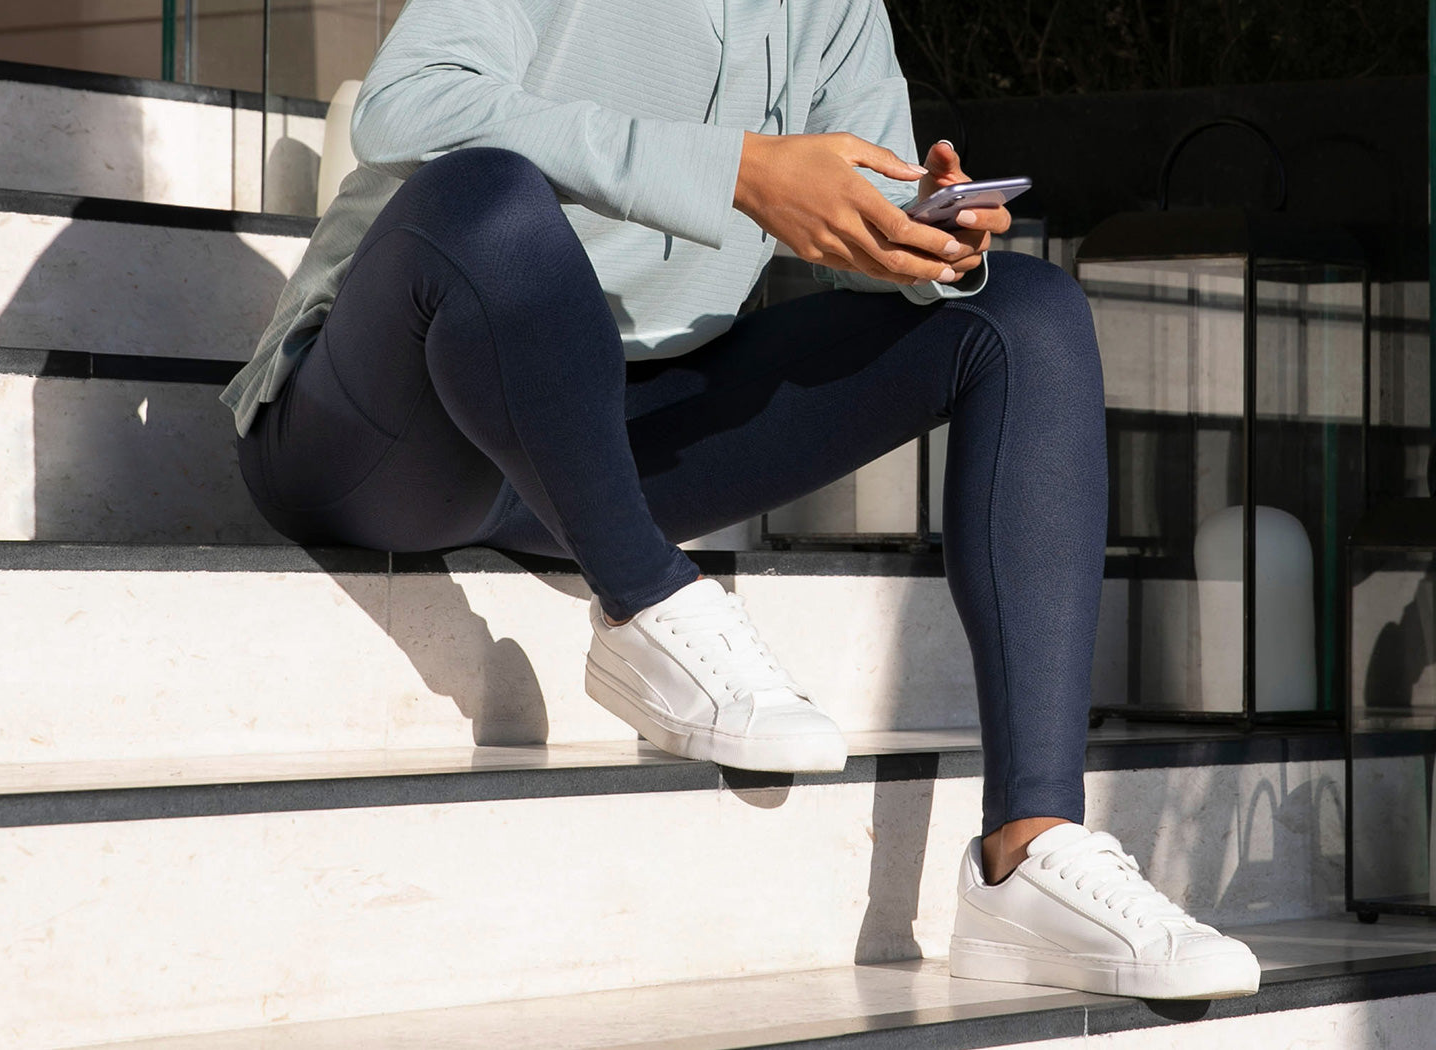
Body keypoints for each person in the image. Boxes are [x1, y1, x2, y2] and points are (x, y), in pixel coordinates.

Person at [221, 0, 1260, 1001]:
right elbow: (404, 103)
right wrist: (743, 172)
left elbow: (867, 247)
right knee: (484, 199)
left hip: (603, 439)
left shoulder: (836, 8)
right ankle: (645, 600)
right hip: (388, 427)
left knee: (1023, 316)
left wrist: (926, 239)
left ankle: (1030, 853)